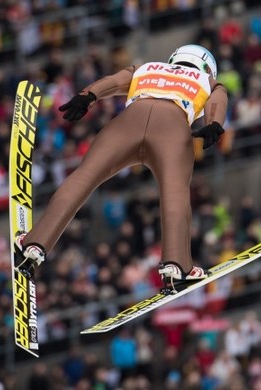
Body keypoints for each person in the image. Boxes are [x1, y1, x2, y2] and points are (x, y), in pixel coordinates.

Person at [17, 44, 229, 293]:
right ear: (208, 68)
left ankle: (35, 243)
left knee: (84, 177)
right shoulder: (209, 81)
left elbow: (114, 81)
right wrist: (214, 123)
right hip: (172, 127)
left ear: (174, 59)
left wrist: (88, 95)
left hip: (128, 122)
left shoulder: (147, 67)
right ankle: (176, 266)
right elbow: (218, 99)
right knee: (175, 194)